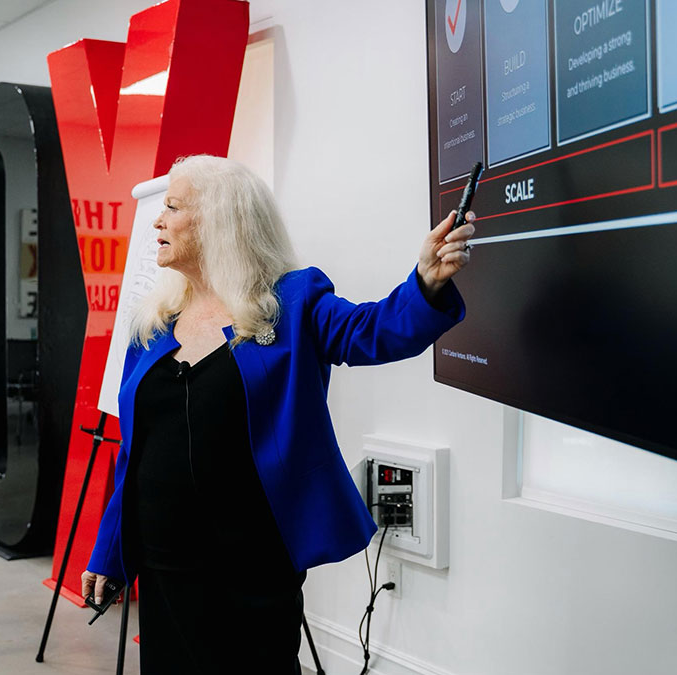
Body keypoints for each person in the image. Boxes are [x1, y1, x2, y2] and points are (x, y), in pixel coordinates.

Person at [82, 155, 473, 673]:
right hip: (164, 558)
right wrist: (109, 551)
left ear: (220, 219)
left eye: (172, 207)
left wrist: (425, 283)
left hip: (252, 558)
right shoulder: (153, 324)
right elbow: (134, 456)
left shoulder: (291, 302)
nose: (158, 220)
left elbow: (374, 331)